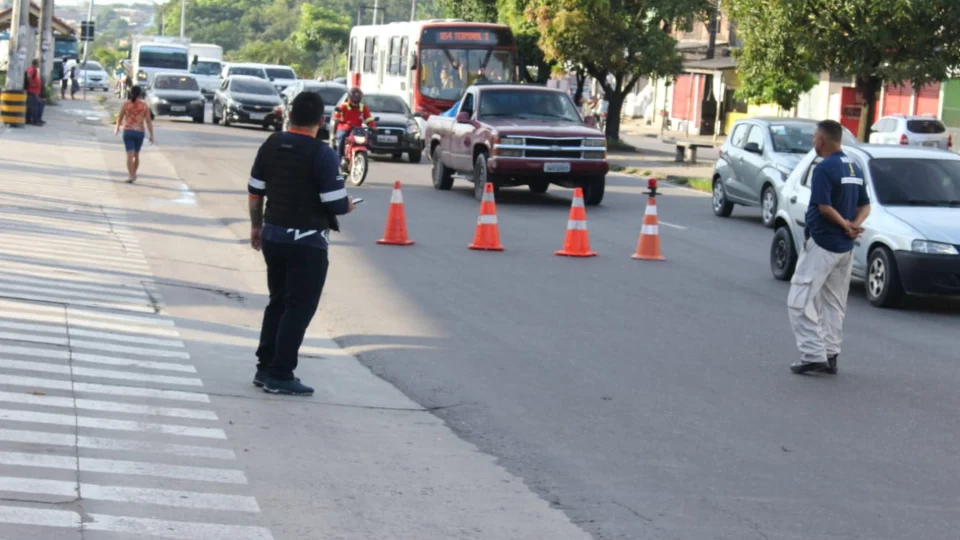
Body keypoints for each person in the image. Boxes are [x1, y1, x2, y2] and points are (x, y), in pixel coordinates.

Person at [247, 91, 356, 396]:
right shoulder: (323, 154)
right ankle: (280, 374)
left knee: (278, 302)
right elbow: (335, 203)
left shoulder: (271, 144)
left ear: (290, 115)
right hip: (307, 243)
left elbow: (255, 191)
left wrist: (256, 225)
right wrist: (349, 205)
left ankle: (264, 368)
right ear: (321, 120)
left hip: (273, 235)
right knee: (298, 307)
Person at [787, 119, 871, 375]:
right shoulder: (854, 166)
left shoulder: (824, 168)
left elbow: (824, 207)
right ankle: (831, 353)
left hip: (823, 243)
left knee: (799, 301)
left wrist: (845, 224)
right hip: (845, 247)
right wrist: (854, 225)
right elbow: (865, 205)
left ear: (822, 140)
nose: (813, 142)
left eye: (814, 138)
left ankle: (814, 354)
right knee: (833, 303)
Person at [113, 85, 154, 183]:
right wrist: (151, 135)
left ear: (130, 93)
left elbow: (120, 117)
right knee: (136, 155)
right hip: (139, 132)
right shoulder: (144, 105)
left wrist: (117, 128)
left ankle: (131, 175)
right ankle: (134, 174)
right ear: (140, 94)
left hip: (128, 131)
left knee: (129, 155)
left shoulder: (126, 104)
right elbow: (148, 121)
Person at [332, 87, 376, 161]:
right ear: (350, 96)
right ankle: (339, 158)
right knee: (341, 138)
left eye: (358, 97)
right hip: (344, 128)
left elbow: (368, 119)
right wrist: (337, 119)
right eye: (354, 97)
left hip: (357, 130)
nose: (356, 99)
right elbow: (336, 115)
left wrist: (373, 126)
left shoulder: (363, 107)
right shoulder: (343, 106)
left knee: (367, 139)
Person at [25, 60, 44, 126]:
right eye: (38, 63)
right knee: (34, 107)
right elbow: (29, 76)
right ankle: (35, 121)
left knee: (35, 105)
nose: (39, 64)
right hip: (32, 91)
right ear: (36, 64)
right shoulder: (32, 69)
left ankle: (31, 120)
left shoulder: (34, 70)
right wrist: (32, 84)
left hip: (34, 91)